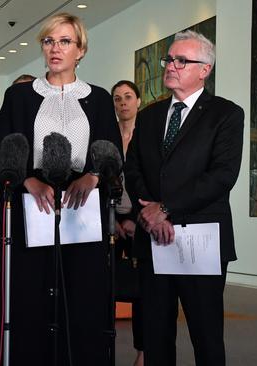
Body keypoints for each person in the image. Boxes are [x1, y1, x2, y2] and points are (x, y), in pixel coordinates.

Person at [0, 12, 121, 365]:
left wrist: (92, 176)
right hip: (33, 203)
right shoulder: (19, 96)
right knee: (32, 294)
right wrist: (28, 180)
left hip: (84, 204)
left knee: (82, 294)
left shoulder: (101, 98)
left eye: (65, 41)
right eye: (48, 41)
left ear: (81, 50)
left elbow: (112, 149)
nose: (55, 48)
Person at [124, 30, 244, 366]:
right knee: (156, 334)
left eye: (181, 60)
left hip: (200, 241)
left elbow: (222, 176)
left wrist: (166, 209)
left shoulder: (226, 115)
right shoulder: (148, 116)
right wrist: (149, 212)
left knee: (206, 336)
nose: (171, 66)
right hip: (153, 240)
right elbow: (133, 168)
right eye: (169, 59)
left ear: (204, 69)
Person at [111, 79, 144, 366]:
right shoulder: (107, 137)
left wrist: (134, 219)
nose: (123, 103)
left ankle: (143, 352)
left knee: (145, 290)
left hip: (141, 221)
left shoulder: (146, 134)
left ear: (138, 101)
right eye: (118, 98)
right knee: (103, 285)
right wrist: (116, 220)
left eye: (128, 97)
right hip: (110, 222)